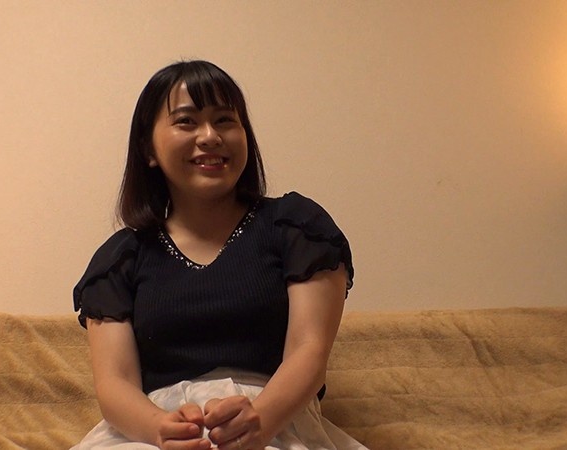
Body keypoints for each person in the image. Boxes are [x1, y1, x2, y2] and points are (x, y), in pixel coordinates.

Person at [72, 60, 366, 450]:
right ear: (148, 149)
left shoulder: (297, 227)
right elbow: (115, 383)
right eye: (186, 121)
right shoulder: (120, 259)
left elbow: (309, 350)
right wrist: (160, 429)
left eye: (225, 120)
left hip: (276, 421)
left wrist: (260, 420)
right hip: (153, 432)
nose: (210, 136)